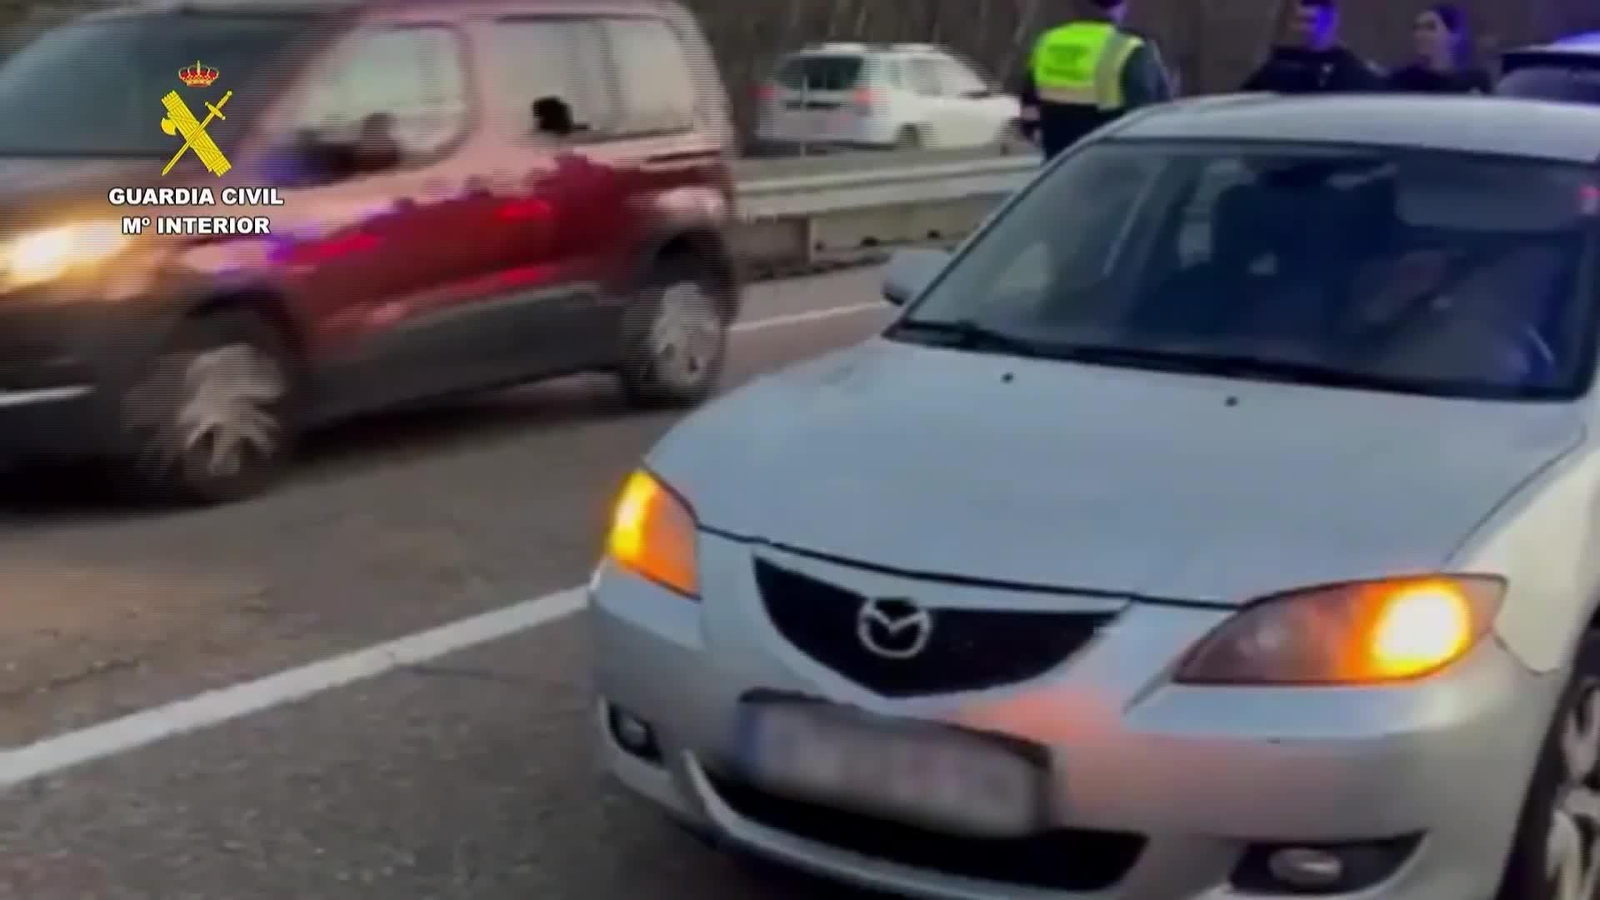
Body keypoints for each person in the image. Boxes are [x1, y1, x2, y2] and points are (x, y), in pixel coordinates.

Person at [1017, 0, 1173, 160]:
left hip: (1059, 167)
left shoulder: (1049, 40)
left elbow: (1029, 105)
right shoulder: (1129, 47)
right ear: (1120, 7)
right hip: (1113, 162)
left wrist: (1035, 133)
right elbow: (1150, 115)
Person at [1240, 0, 1384, 94]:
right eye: (1303, 21)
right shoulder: (1273, 73)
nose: (1309, 29)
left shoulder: (1355, 74)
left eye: (1313, 20)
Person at [1385, 4, 1491, 94]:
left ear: (1454, 36)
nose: (1420, 34)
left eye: (1430, 27)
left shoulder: (1475, 82)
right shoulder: (1402, 80)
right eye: (1416, 28)